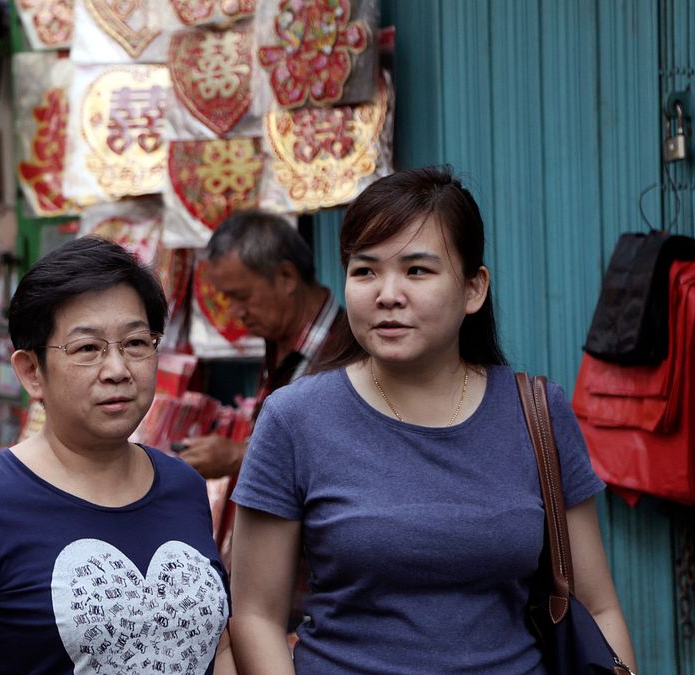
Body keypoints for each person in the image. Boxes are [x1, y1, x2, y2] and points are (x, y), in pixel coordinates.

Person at [229, 166, 637, 673]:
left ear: (473, 289)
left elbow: (597, 606)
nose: (388, 294)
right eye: (365, 270)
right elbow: (255, 615)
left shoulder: (537, 413)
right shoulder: (294, 418)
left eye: (417, 270)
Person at [0, 237, 232, 674]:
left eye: (136, 342)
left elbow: (218, 649)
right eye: (87, 349)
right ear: (31, 372)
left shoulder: (184, 486)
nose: (117, 370)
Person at [180, 210, 348, 482]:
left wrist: (239, 456)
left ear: (286, 277)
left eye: (242, 296)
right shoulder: (279, 338)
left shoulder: (350, 351)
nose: (236, 312)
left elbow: (339, 460)